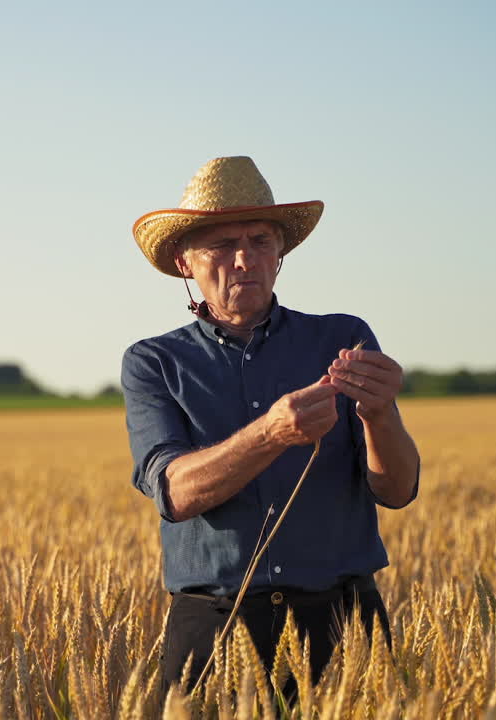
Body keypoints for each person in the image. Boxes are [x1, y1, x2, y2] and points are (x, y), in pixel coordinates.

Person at [121, 156, 421, 691]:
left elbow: (397, 490)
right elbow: (176, 492)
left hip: (344, 624)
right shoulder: (154, 362)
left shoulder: (342, 338)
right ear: (184, 261)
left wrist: (380, 415)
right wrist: (271, 433)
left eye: (261, 240)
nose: (244, 259)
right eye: (222, 244)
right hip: (215, 633)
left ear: (280, 254)